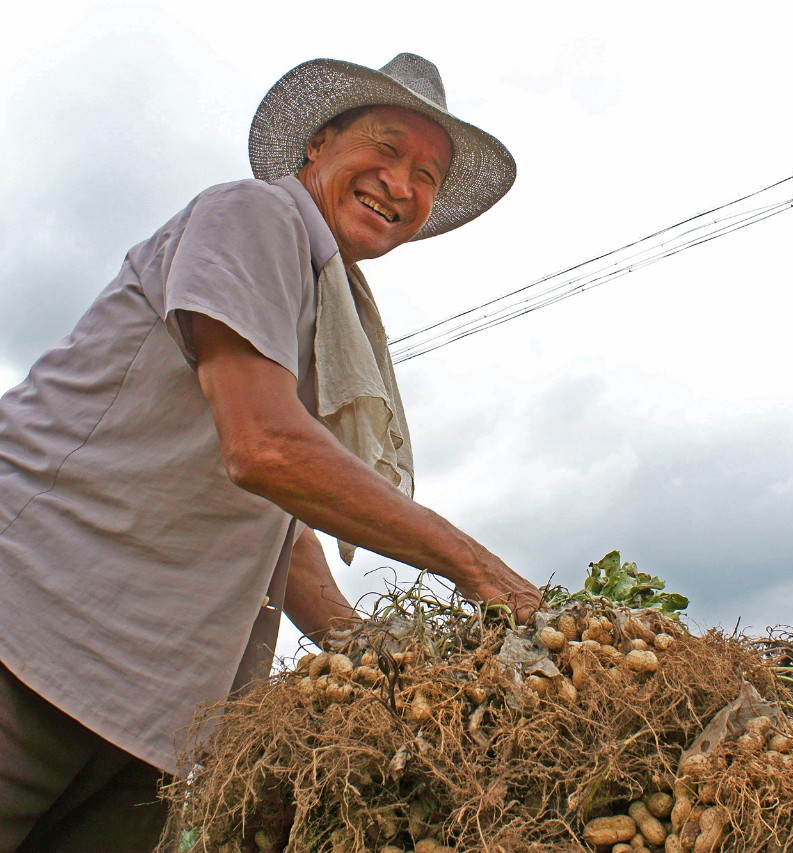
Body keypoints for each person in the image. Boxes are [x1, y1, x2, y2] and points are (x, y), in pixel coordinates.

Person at [0, 53, 541, 851]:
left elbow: (275, 530)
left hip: (151, 721)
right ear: (317, 146)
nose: (401, 184)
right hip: (35, 633)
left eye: (425, 174)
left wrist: (372, 656)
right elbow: (265, 450)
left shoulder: (330, 297)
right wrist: (483, 574)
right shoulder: (254, 218)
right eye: (386, 150)